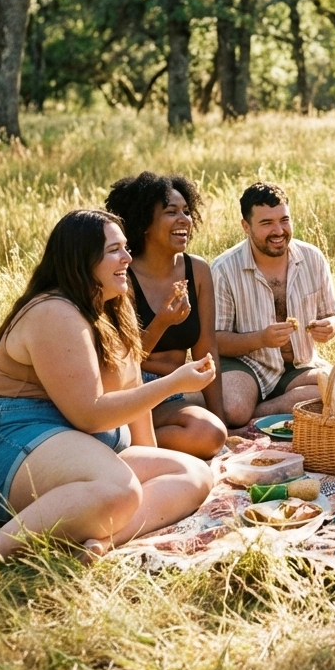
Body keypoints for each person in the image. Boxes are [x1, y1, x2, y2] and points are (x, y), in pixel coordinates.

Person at [0, 210, 214, 582]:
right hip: (10, 442)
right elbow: (89, 414)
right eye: (114, 251)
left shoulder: (112, 310)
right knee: (121, 489)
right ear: (82, 260)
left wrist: (156, 456)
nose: (127, 258)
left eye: (126, 248)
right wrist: (173, 383)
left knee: (193, 472)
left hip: (81, 451)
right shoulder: (54, 311)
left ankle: (101, 543)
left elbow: (134, 397)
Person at [212, 182, 335, 426]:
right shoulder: (224, 269)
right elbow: (215, 339)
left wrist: (329, 326)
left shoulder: (313, 258)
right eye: (266, 223)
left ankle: (259, 411)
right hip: (247, 364)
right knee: (234, 408)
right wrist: (261, 339)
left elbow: (331, 314)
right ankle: (249, 408)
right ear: (246, 226)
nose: (278, 231)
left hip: (299, 365)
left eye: (284, 220)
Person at [105, 172, 227, 457]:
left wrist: (222, 419)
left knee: (214, 432)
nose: (183, 219)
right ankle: (126, 443)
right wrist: (162, 321)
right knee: (205, 436)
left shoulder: (197, 270)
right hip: (132, 386)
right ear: (145, 223)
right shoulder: (124, 275)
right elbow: (125, 360)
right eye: (171, 212)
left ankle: (126, 443)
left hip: (174, 388)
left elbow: (206, 348)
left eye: (186, 211)